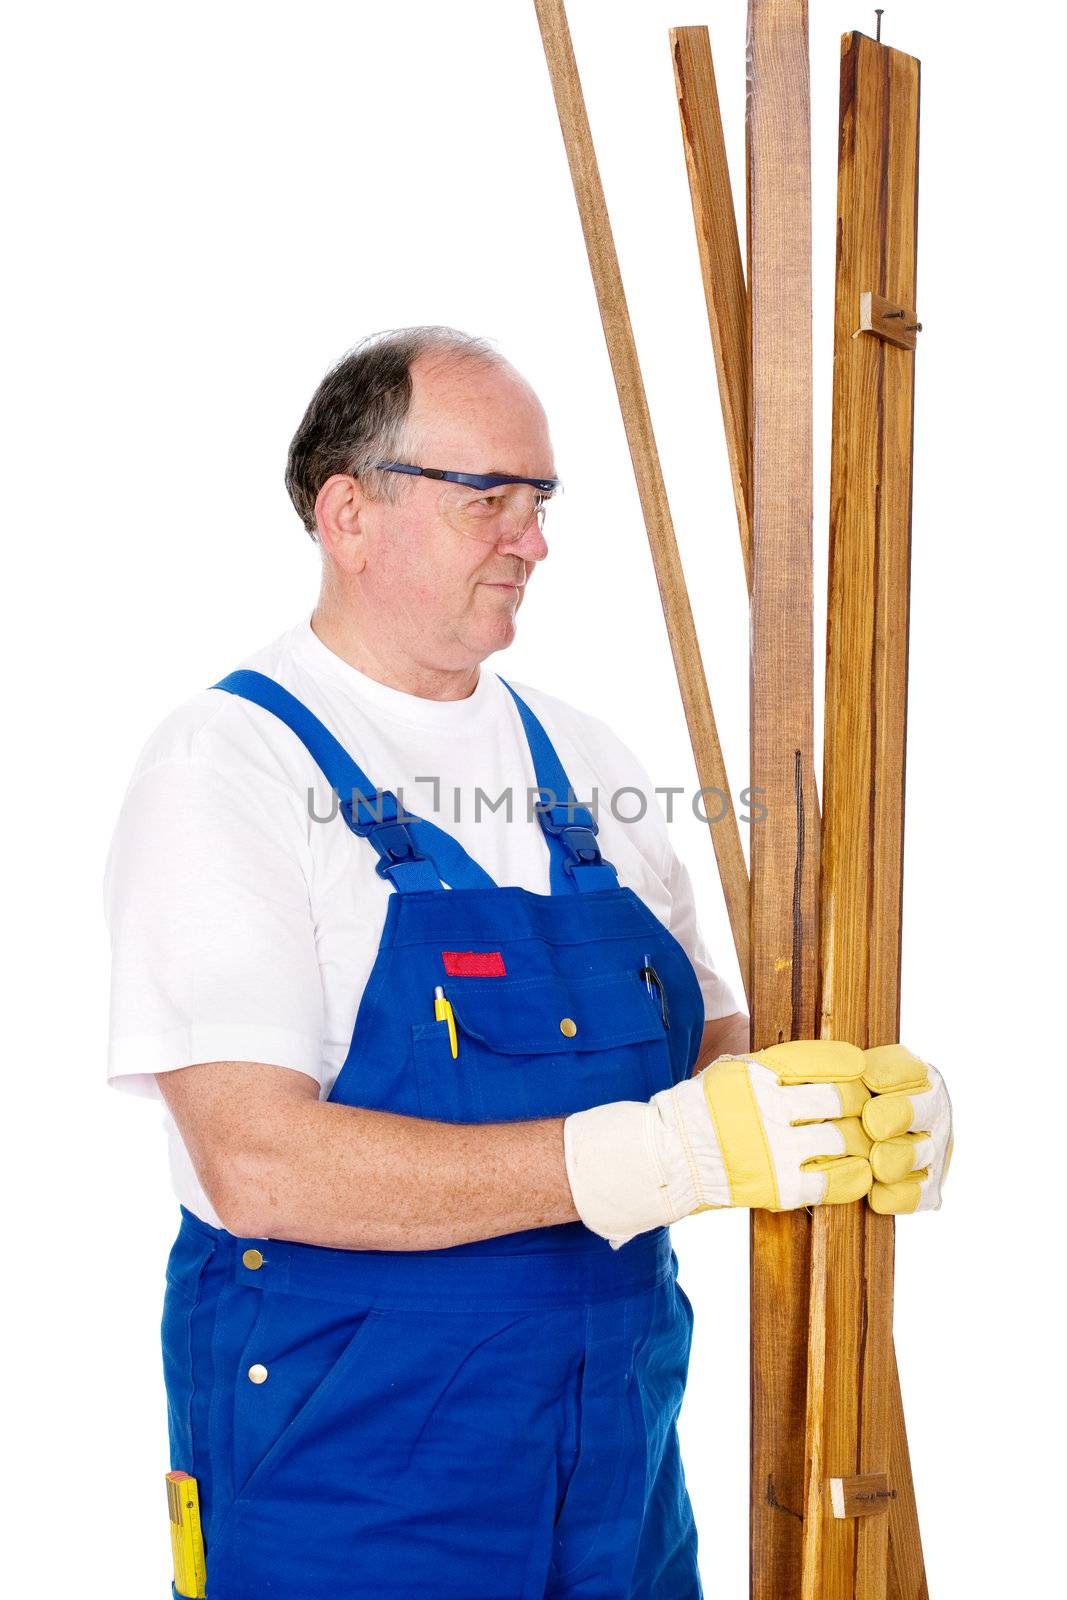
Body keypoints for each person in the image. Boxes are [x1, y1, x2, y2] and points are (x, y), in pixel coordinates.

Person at [104, 325, 953, 1600]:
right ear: (349, 512)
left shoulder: (589, 761)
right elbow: (258, 1160)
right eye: (486, 498)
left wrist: (844, 1108)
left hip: (613, 1453)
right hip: (352, 1463)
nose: (532, 538)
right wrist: (659, 1155)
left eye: (541, 500)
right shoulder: (228, 768)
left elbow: (710, 1050)